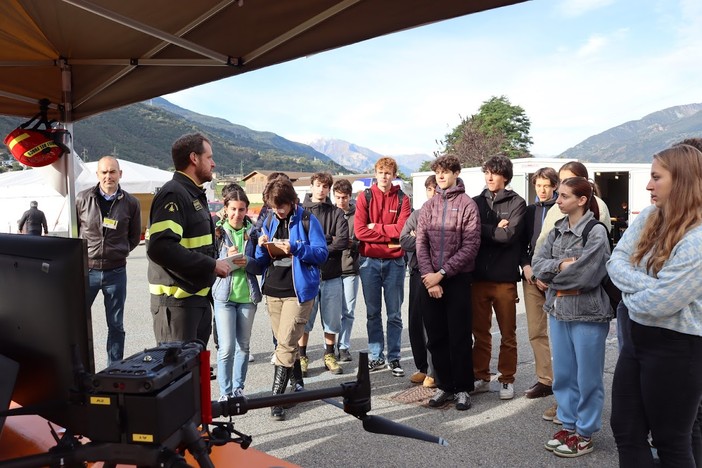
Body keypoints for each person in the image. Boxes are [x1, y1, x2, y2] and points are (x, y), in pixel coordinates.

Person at [608, 144, 702, 467]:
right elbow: (615, 262)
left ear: (683, 181)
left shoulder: (697, 240)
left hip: (677, 350)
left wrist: (632, 292)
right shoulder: (650, 216)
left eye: (656, 177)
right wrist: (648, 290)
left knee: (672, 442)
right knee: (625, 429)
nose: (648, 185)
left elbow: (662, 304)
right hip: (637, 340)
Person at [532, 176, 613, 458]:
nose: (558, 200)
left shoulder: (596, 232)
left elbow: (587, 275)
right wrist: (562, 265)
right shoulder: (555, 230)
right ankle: (568, 425)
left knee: (588, 377)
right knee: (564, 375)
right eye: (559, 195)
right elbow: (537, 266)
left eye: (564, 196)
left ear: (581, 200)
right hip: (559, 311)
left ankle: (585, 432)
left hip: (589, 313)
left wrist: (553, 275)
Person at [253, 177, 327, 421]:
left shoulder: (307, 219)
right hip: (273, 289)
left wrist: (294, 247)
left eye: (280, 206)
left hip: (299, 292)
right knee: (284, 343)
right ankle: (297, 385)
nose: (277, 210)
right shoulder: (271, 219)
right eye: (273, 206)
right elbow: (260, 259)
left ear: (292, 201)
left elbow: (321, 253)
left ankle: (277, 398)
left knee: (285, 343)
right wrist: (261, 245)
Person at [147, 133, 230, 345]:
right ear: (194, 158)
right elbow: (161, 247)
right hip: (177, 307)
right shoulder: (174, 194)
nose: (214, 163)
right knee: (178, 374)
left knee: (194, 374)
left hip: (195, 301)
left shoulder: (191, 193)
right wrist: (211, 264)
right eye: (209, 157)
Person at [415, 156, 481, 410]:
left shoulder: (467, 205)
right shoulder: (428, 206)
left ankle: (463, 388)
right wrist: (430, 278)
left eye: (446, 172)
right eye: (438, 172)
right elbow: (421, 244)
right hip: (429, 280)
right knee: (436, 337)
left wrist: (441, 273)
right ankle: (444, 385)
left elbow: (471, 245)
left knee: (460, 336)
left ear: (456, 174)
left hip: (456, 279)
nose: (441, 176)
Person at [76, 156, 141, 366]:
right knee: (76, 322)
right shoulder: (82, 199)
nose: (108, 176)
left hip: (116, 273)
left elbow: (133, 237)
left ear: (120, 174)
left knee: (115, 325)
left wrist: (119, 252)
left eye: (112, 172)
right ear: (97, 175)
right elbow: (74, 233)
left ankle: (114, 369)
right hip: (87, 272)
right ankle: (79, 369)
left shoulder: (131, 203)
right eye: (104, 172)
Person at [471, 155, 526, 401]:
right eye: (487, 173)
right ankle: (480, 376)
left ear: (505, 176)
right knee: (480, 332)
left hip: (504, 280)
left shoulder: (518, 203)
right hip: (478, 278)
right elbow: (470, 231)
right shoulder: (475, 202)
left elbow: (509, 237)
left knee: (508, 333)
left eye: (494, 173)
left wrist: (488, 231)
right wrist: (495, 229)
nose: (489, 177)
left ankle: (506, 379)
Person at [354, 156, 411, 376]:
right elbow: (359, 231)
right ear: (375, 174)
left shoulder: (402, 199)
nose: (384, 176)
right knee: (372, 313)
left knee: (394, 314)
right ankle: (376, 356)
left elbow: (402, 230)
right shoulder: (364, 197)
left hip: (395, 263)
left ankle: (394, 358)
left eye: (388, 173)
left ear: (394, 175)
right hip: (368, 261)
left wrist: (375, 227)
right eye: (381, 172)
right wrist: (388, 234)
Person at [212, 189, 263, 401]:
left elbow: (261, 265)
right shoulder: (216, 232)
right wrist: (225, 259)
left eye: (241, 210)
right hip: (224, 297)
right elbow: (208, 262)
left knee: (243, 346)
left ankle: (238, 389)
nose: (237, 214)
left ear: (246, 211)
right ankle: (225, 393)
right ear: (226, 209)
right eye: (233, 209)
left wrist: (248, 262)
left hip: (247, 297)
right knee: (226, 348)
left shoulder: (254, 233)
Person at [298, 172, 349, 376]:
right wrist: (327, 241)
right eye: (318, 185)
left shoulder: (336, 213)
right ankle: (302, 357)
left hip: (332, 275)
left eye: (325, 186)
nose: (321, 189)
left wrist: (316, 249)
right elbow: (300, 242)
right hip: (308, 275)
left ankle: (329, 355)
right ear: (311, 186)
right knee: (305, 320)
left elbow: (342, 241)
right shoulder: (300, 212)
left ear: (329, 189)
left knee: (332, 319)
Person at [520, 168, 558, 401]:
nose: (542, 190)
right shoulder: (529, 211)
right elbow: (521, 245)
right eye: (538, 185)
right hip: (532, 279)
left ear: (555, 185)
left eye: (546, 185)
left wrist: (550, 275)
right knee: (536, 331)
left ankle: (565, 382)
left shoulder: (562, 208)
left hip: (557, 280)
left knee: (563, 334)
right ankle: (546, 380)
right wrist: (527, 269)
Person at [400, 175, 438, 388]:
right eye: (429, 189)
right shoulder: (416, 214)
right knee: (415, 322)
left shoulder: (443, 213)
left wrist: (420, 238)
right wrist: (422, 239)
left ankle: (434, 371)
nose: (432, 192)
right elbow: (403, 239)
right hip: (416, 272)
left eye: (436, 188)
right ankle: (422, 368)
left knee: (432, 324)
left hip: (437, 274)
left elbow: (444, 242)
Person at [534, 161, 612, 256]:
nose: (564, 184)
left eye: (569, 180)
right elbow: (542, 242)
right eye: (561, 180)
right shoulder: (555, 209)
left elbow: (599, 250)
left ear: (583, 180)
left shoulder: (599, 207)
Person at [332, 178, 359, 363]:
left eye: (344, 197)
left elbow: (364, 240)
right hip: (331, 269)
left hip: (350, 268)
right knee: (332, 312)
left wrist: (354, 243)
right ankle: (330, 347)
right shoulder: (330, 214)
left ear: (350, 196)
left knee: (348, 311)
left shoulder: (358, 215)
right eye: (338, 197)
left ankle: (343, 347)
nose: (341, 201)